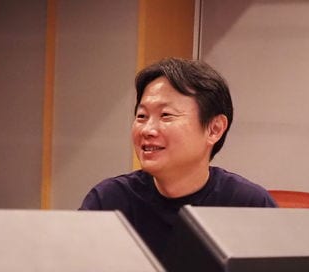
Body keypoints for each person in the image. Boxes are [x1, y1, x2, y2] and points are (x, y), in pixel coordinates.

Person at [80, 57, 276, 260]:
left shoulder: (250, 206)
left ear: (214, 129)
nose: (147, 130)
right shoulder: (109, 202)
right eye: (142, 116)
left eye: (166, 115)